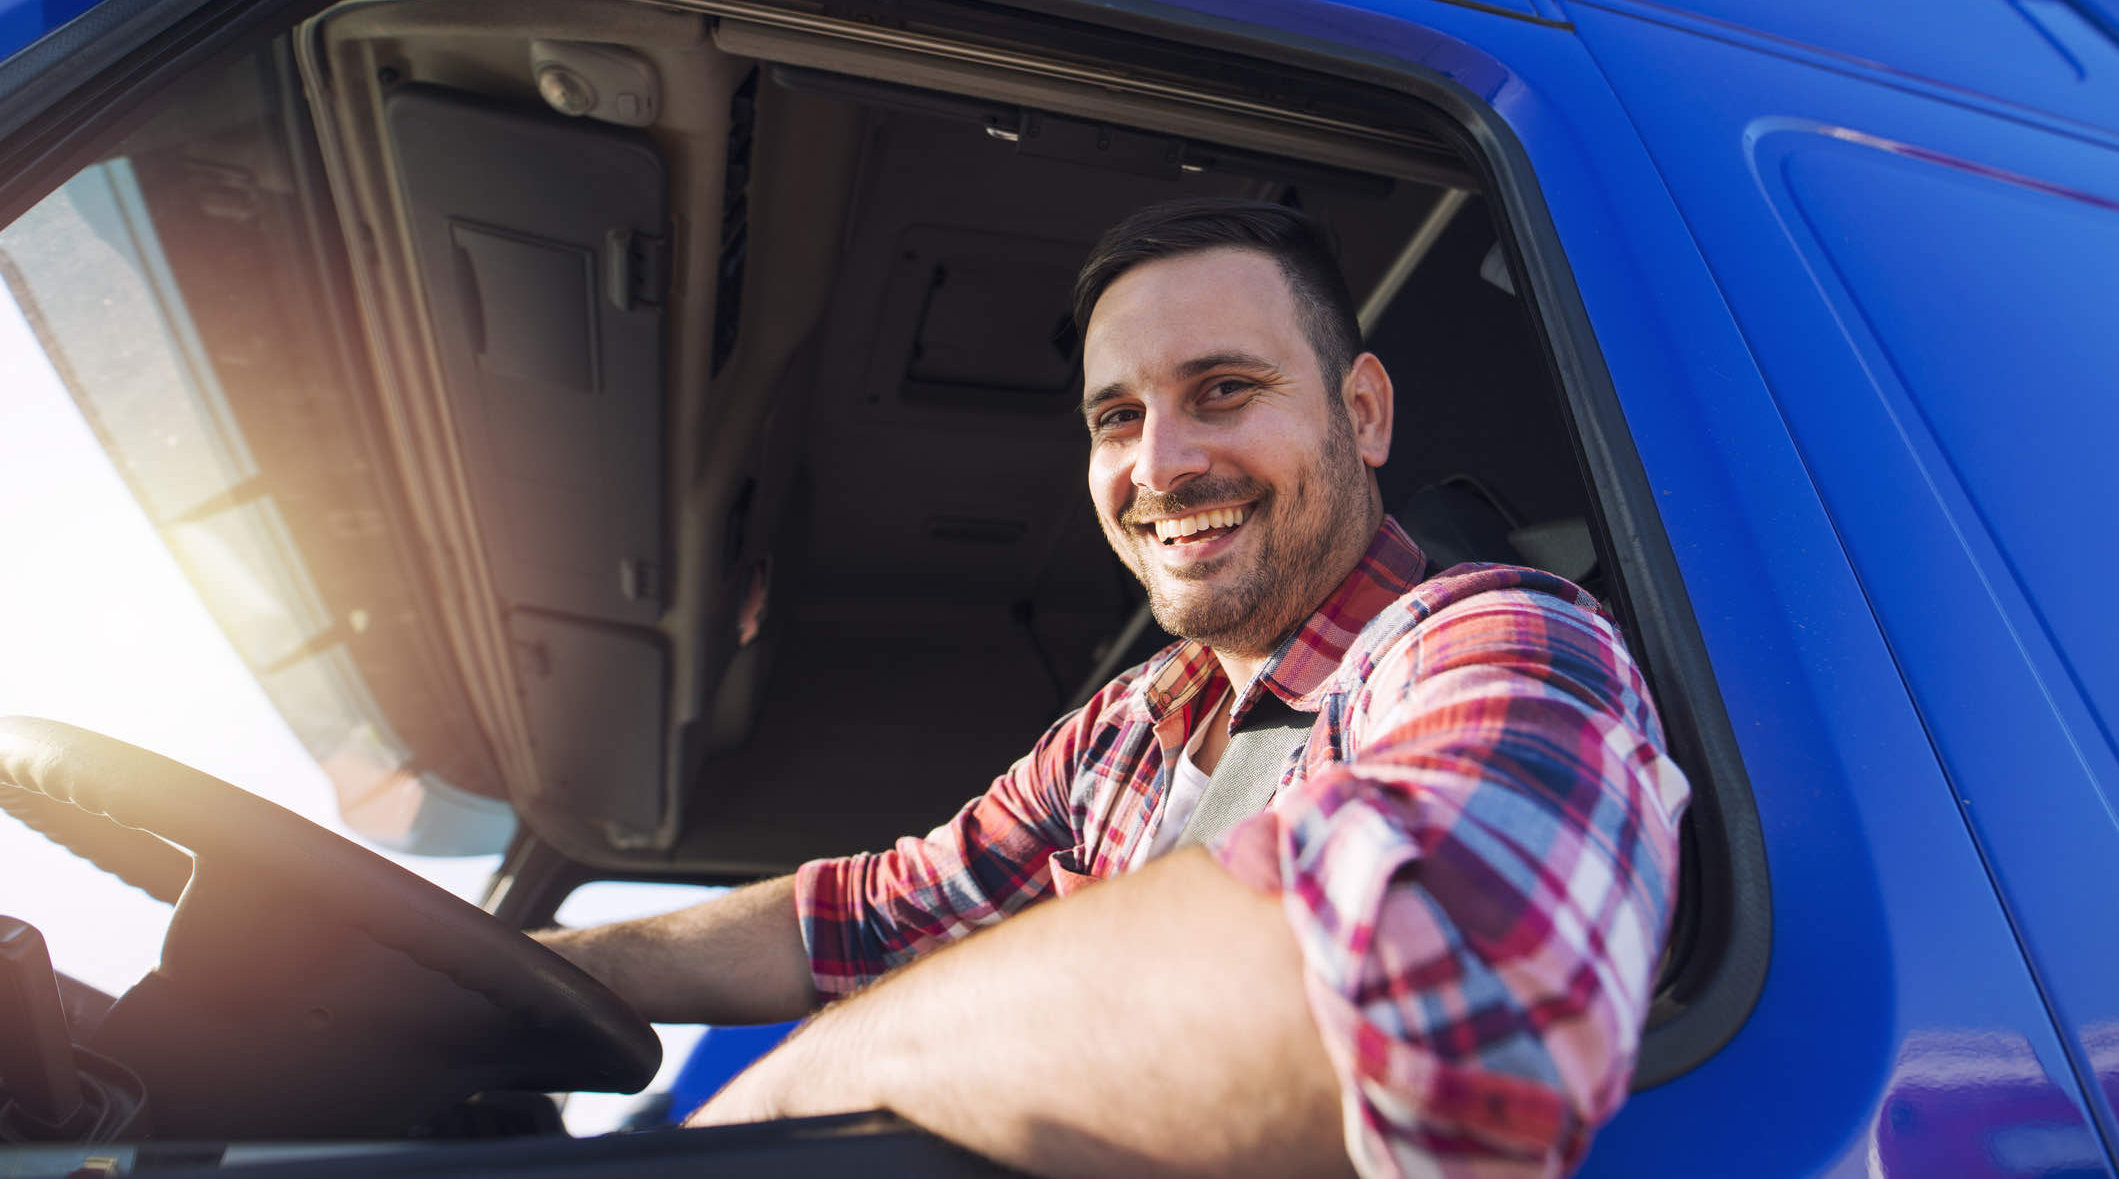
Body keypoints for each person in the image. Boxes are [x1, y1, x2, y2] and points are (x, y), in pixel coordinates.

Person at [540, 198, 1691, 1178]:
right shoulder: (1129, 725)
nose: (1159, 464)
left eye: (1225, 389)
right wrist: (561, 968)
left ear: (1362, 412)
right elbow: (869, 912)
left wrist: (798, 1087)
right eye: (1116, 417)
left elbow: (1466, 1011)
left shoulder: (1493, 635)